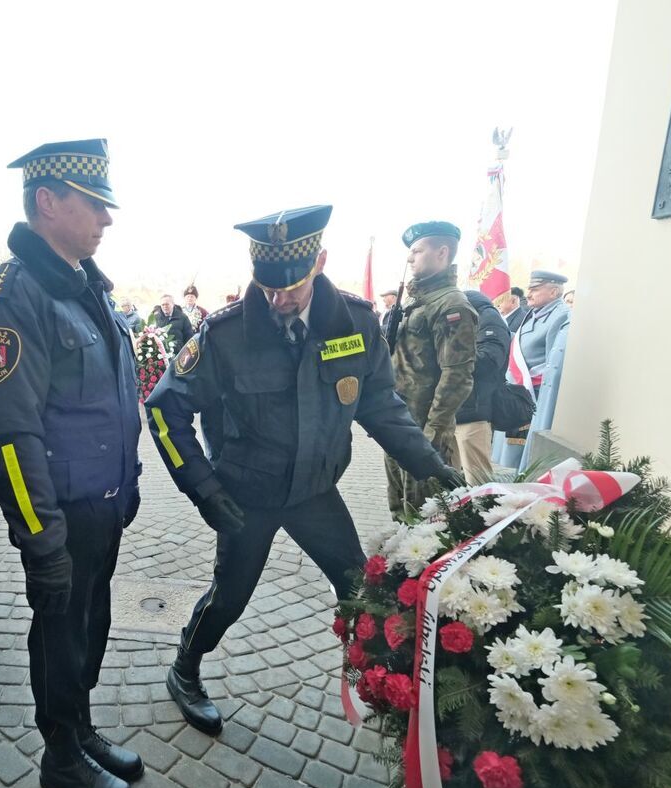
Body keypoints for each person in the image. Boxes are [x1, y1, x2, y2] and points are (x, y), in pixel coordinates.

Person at [144, 205, 463, 736]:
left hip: (315, 490)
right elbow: (163, 410)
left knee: (358, 588)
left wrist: (430, 465)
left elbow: (381, 405)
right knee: (229, 598)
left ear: (319, 261)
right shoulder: (224, 336)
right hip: (247, 494)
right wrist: (203, 487)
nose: (278, 299)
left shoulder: (356, 324)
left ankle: (384, 682)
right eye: (267, 286)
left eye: (291, 285)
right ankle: (185, 669)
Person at [0, 139, 142, 788]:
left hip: (101, 503)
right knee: (60, 635)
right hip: (59, 512)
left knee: (90, 625)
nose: (107, 219)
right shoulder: (10, 298)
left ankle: (82, 729)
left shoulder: (85, 286)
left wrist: (128, 481)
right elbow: (11, 437)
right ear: (47, 202)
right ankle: (60, 755)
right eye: (94, 204)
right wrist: (40, 536)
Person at [384, 221, 477, 519]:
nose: (410, 258)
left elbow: (457, 375)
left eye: (417, 250)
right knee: (400, 509)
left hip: (423, 429)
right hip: (399, 423)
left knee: (427, 518)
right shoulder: (415, 300)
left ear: (442, 252)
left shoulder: (451, 304)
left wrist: (433, 432)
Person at [454, 289, 511, 483]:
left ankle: (480, 513)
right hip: (455, 410)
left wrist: (448, 357)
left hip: (474, 411)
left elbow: (489, 360)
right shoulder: (468, 317)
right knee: (451, 481)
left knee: (477, 480)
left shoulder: (489, 319)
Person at [519, 270, 571, 393]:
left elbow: (553, 366)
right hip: (520, 389)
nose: (528, 295)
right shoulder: (536, 311)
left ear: (553, 292)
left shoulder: (561, 316)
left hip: (535, 392)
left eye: (534, 290)